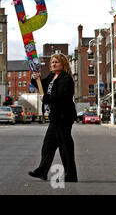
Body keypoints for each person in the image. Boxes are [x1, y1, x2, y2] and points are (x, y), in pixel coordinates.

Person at [28, 53, 78, 182]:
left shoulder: (66, 79)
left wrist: (46, 98)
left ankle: (71, 175)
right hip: (55, 116)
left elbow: (61, 97)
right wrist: (35, 79)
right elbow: (42, 86)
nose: (53, 64)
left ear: (63, 64)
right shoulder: (52, 76)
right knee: (48, 144)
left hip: (64, 116)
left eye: (56, 62)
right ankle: (42, 171)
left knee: (65, 146)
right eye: (52, 63)